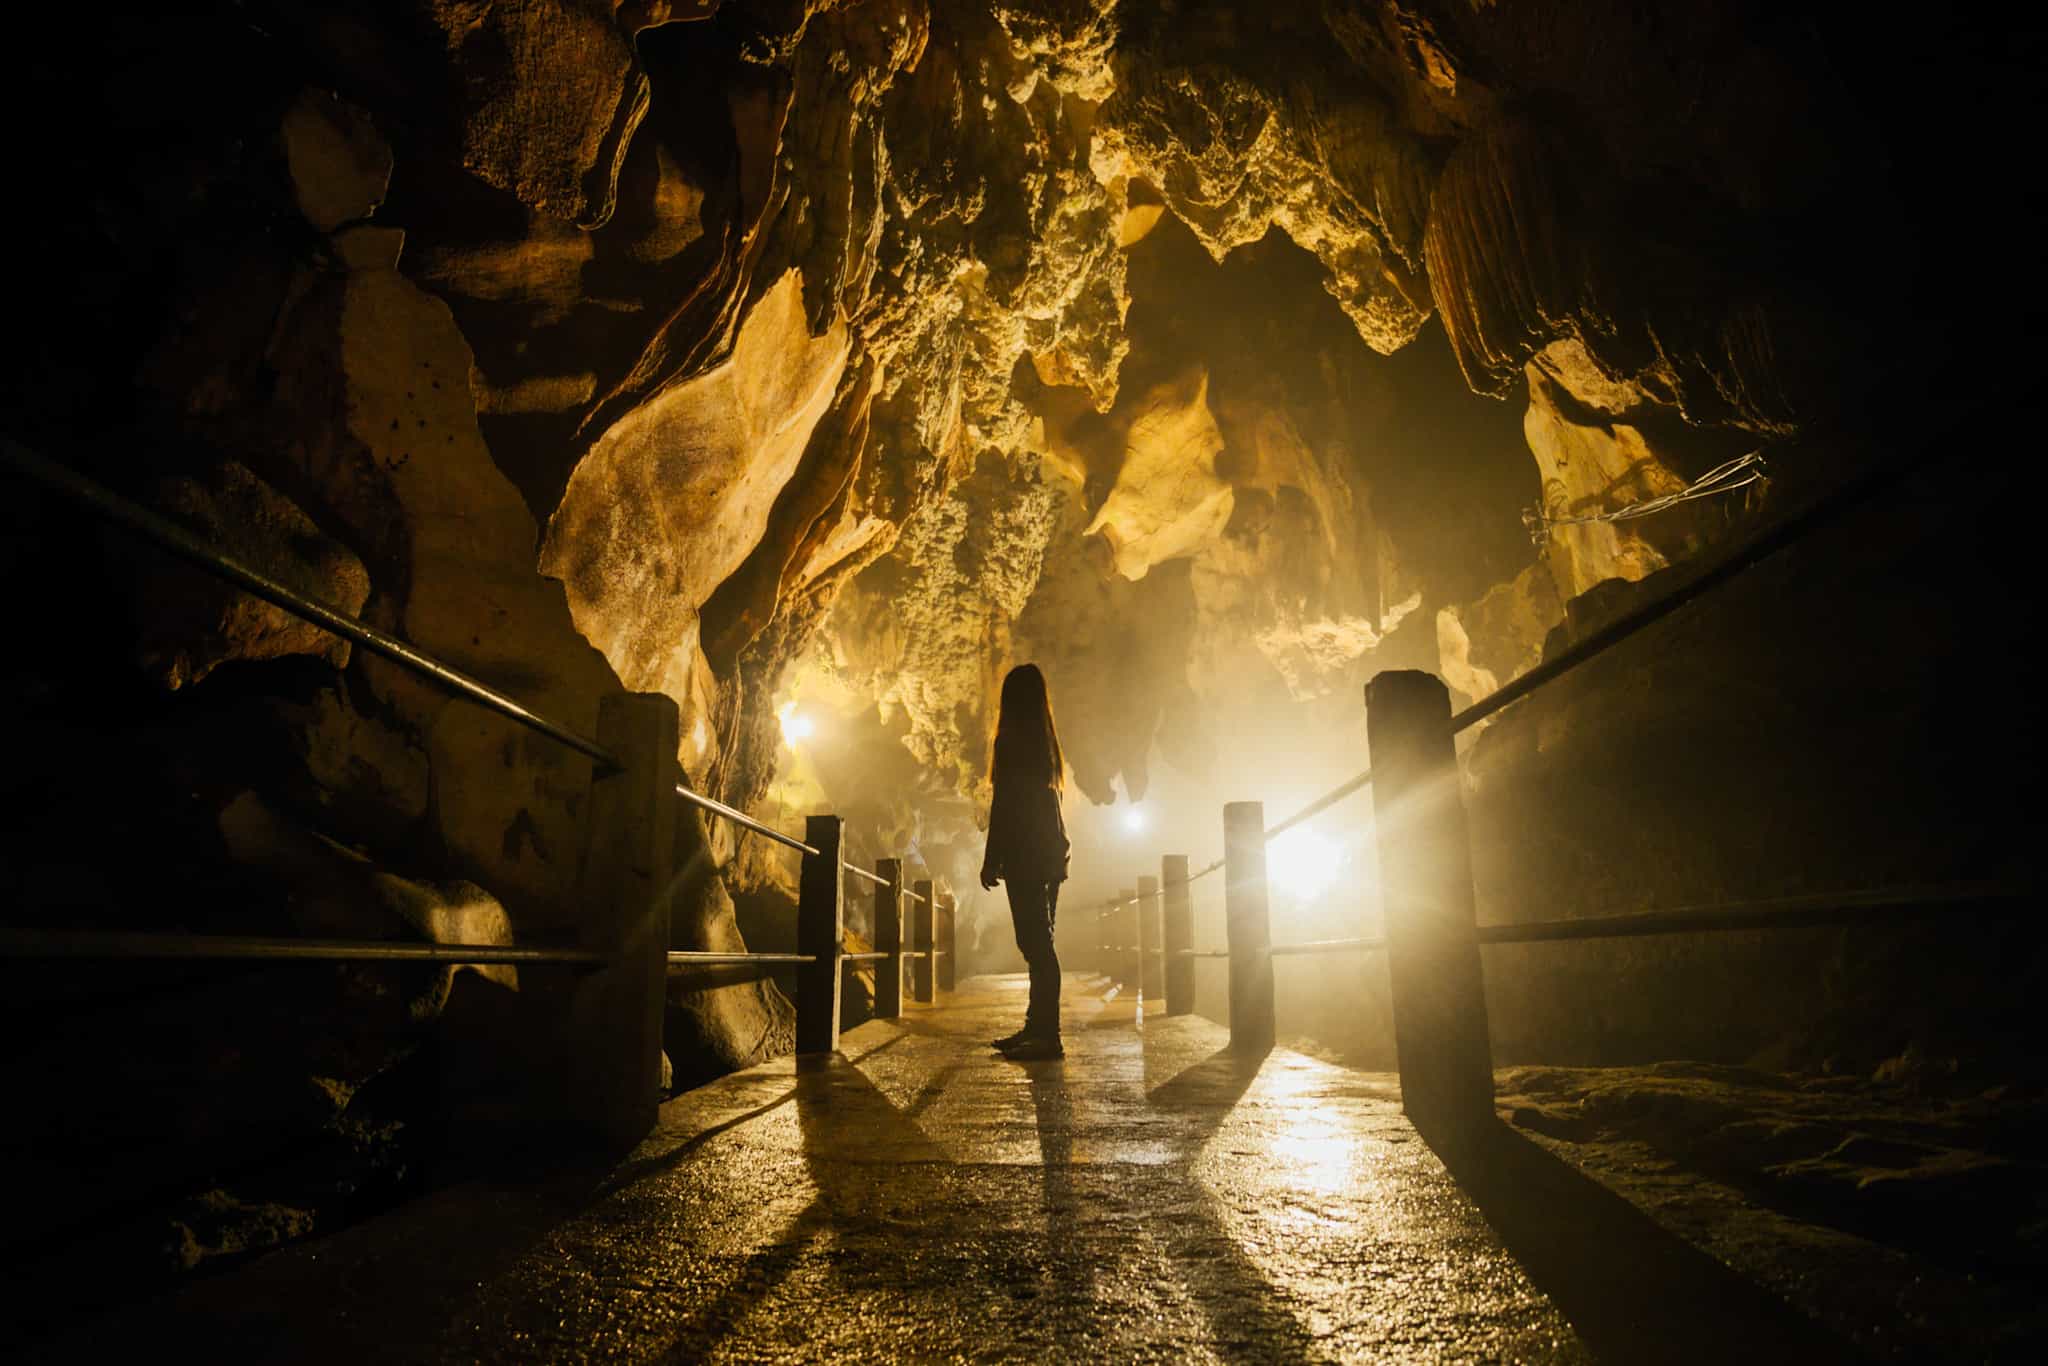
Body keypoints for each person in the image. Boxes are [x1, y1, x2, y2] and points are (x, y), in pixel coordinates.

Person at [979, 663, 1071, 1060]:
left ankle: (1046, 1035)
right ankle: (1038, 1028)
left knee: (1035, 944)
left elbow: (1005, 805)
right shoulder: (1045, 743)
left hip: (1026, 855)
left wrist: (992, 858)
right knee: (1039, 942)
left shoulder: (1012, 741)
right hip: (1049, 852)